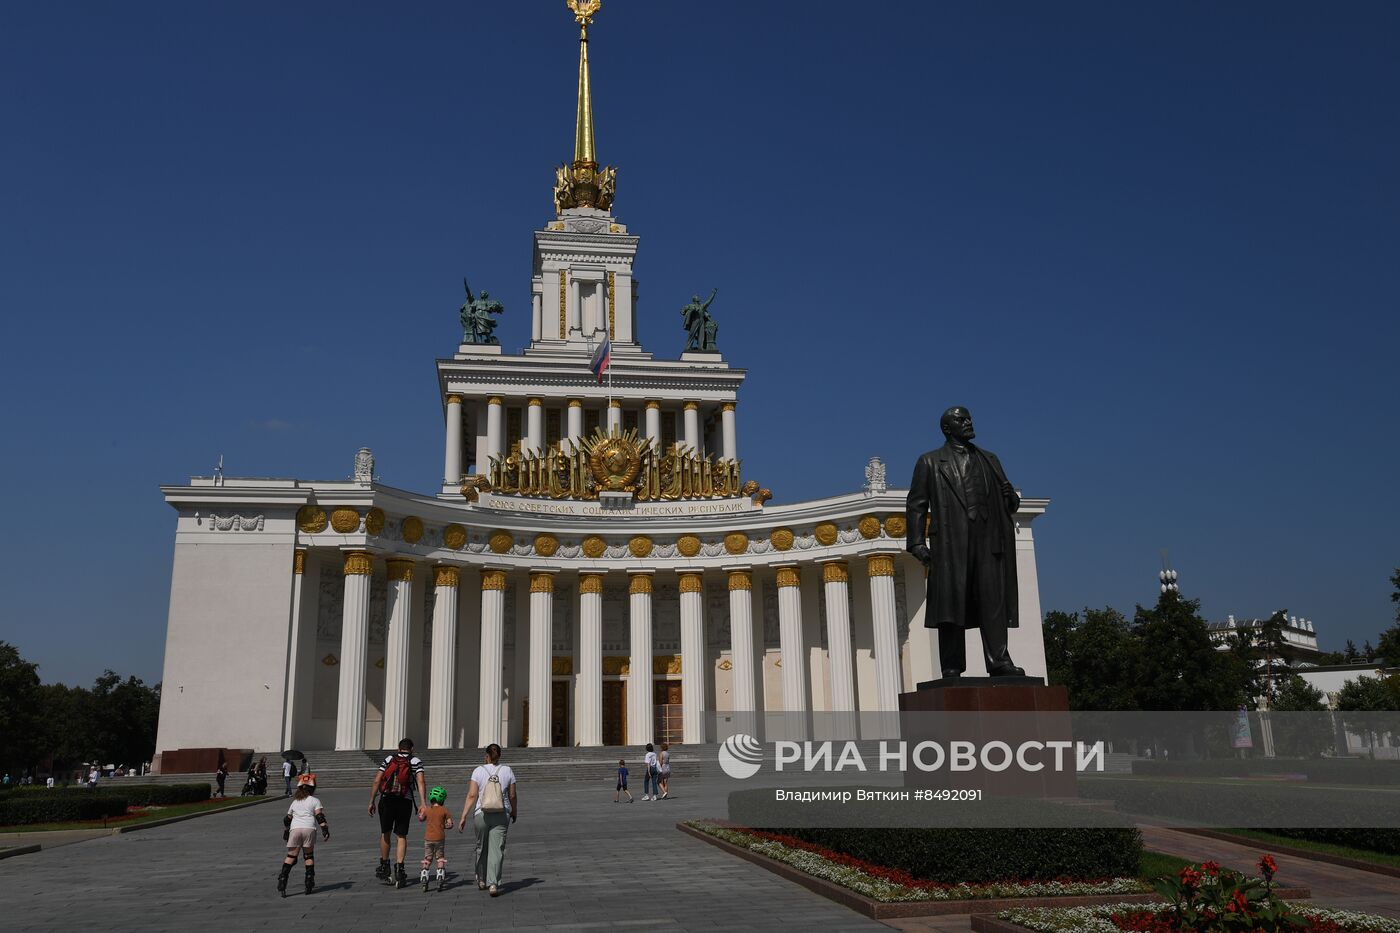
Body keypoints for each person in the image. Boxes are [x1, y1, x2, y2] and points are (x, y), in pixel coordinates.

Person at [905, 406, 1025, 678]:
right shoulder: (931, 461)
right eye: (961, 420)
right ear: (948, 428)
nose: (969, 422)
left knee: (992, 602)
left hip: (988, 541)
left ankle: (999, 661)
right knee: (951, 606)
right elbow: (916, 504)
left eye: (969, 418)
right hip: (951, 543)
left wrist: (1010, 499)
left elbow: (1009, 503)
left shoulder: (989, 459)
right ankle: (952, 664)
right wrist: (916, 542)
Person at [457, 743, 516, 897]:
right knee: (497, 850)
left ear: (486, 755)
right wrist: (514, 810)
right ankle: (493, 884)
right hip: (501, 814)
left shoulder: (478, 771)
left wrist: (463, 816)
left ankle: (482, 879)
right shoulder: (507, 770)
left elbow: (471, 795)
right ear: (500, 755)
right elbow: (512, 795)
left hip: (481, 813)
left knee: (481, 847)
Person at [368, 737, 427, 888]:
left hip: (386, 800)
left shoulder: (389, 759)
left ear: (398, 748)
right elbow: (420, 782)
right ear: (411, 748)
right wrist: (423, 803)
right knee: (401, 835)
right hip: (404, 801)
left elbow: (377, 780)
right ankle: (400, 868)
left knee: (385, 832)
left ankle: (385, 865)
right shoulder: (415, 761)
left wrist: (372, 801)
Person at [278, 773, 329, 897]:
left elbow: (287, 819)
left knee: (291, 856)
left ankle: (283, 880)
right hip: (309, 829)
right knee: (308, 856)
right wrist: (325, 830)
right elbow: (319, 817)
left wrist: (286, 830)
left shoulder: (295, 802)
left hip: (295, 829)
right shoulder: (315, 800)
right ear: (313, 787)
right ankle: (309, 882)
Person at [419, 786, 454, 892]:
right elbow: (450, 824)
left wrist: (421, 814)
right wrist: (446, 826)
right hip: (440, 838)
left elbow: (421, 818)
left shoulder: (427, 810)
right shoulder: (444, 810)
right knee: (440, 858)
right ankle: (440, 877)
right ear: (442, 799)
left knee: (427, 859)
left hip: (428, 838)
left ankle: (424, 876)